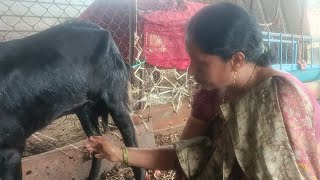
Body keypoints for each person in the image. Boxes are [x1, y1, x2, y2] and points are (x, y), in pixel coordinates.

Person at [86, 2, 320, 179]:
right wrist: (119, 153)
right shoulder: (210, 96)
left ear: (236, 61)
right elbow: (185, 156)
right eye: (191, 60)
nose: (190, 71)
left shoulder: (279, 99)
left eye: (201, 63)